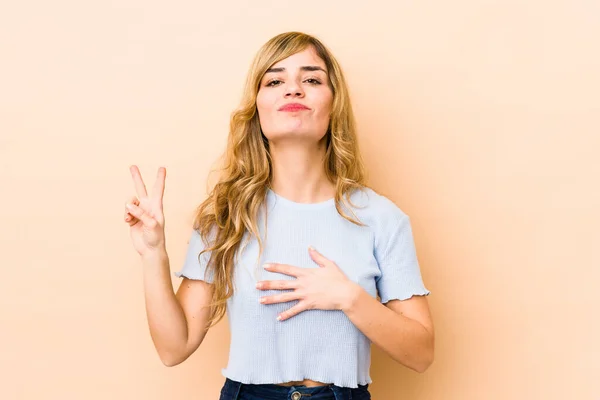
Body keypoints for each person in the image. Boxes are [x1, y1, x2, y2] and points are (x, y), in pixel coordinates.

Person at [124, 31, 434, 400]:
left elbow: (421, 353)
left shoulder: (382, 218)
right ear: (257, 108)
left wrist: (349, 297)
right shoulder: (226, 216)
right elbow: (174, 348)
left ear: (334, 104)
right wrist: (152, 253)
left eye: (312, 79)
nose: (293, 89)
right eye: (275, 80)